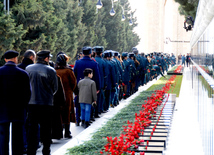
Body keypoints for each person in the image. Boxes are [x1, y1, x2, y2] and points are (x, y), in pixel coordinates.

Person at [26, 50, 58, 155]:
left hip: (31, 102)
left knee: (32, 128)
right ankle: (46, 150)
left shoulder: (28, 68)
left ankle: (31, 150)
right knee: (46, 128)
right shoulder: (50, 70)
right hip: (46, 103)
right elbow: (55, 88)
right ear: (46, 58)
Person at [0, 50, 31, 155]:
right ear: (15, 59)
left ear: (5, 59)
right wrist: (25, 107)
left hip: (2, 109)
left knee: (3, 135)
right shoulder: (23, 74)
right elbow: (28, 93)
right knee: (18, 136)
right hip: (18, 109)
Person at [74, 46, 101, 125]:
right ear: (91, 53)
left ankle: (78, 119)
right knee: (89, 103)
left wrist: (75, 88)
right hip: (90, 86)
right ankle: (87, 119)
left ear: (82, 53)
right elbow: (97, 76)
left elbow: (74, 75)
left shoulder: (77, 62)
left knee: (79, 102)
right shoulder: (94, 63)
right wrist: (98, 87)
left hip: (79, 85)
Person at [55, 54, 77, 138]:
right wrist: (70, 90)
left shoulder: (54, 70)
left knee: (59, 113)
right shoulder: (68, 71)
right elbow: (73, 83)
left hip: (57, 94)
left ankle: (59, 132)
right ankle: (67, 132)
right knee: (67, 112)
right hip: (67, 94)